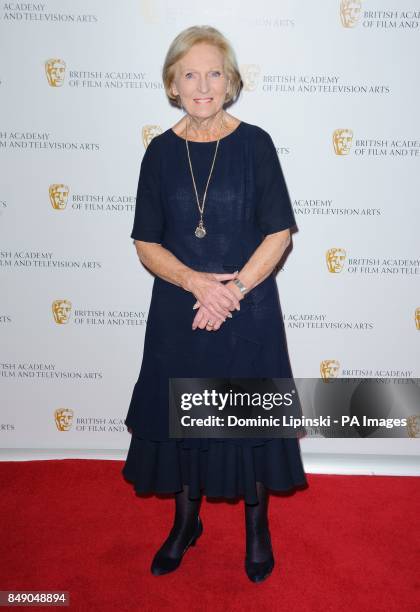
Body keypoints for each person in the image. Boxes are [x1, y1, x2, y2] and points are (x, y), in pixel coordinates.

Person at [122, 25, 307, 583]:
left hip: (247, 312)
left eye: (214, 73)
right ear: (172, 85)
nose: (203, 85)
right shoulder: (158, 152)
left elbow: (279, 234)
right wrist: (197, 285)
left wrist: (231, 292)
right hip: (181, 310)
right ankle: (185, 523)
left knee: (246, 422)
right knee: (182, 425)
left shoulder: (256, 145)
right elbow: (145, 243)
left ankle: (257, 528)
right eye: (190, 74)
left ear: (231, 83)